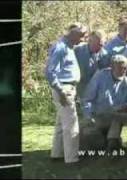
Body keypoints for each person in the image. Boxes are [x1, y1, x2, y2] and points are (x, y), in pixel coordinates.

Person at [45, 22, 87, 164]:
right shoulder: (61, 47)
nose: (82, 39)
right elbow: (50, 72)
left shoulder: (68, 47)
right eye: (81, 35)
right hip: (64, 89)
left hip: (67, 88)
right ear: (73, 33)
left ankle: (56, 154)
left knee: (60, 124)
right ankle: (72, 159)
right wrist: (61, 91)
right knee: (71, 125)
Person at [82, 55, 127, 152]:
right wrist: (88, 116)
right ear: (112, 66)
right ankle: (112, 146)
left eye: (125, 68)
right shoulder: (100, 77)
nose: (123, 71)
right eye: (120, 68)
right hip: (99, 116)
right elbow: (87, 99)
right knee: (114, 119)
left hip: (117, 116)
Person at [74, 30, 110, 101]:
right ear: (89, 41)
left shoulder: (105, 55)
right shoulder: (77, 51)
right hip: (79, 89)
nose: (99, 48)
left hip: (96, 93)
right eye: (97, 45)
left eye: (101, 45)